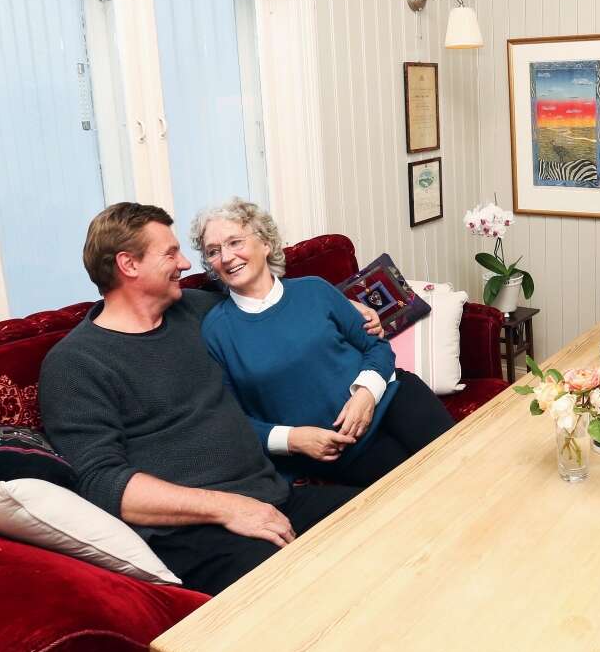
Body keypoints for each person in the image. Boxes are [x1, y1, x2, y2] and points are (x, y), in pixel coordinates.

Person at [39, 202, 376, 596]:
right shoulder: (75, 363)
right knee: (306, 588)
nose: (185, 264)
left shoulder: (195, 311)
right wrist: (227, 508)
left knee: (384, 519)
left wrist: (346, 308)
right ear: (128, 264)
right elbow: (102, 483)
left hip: (274, 496)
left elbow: (272, 306)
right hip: (196, 533)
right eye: (170, 253)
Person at [194, 198, 455, 488]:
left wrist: (366, 394)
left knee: (462, 461)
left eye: (235, 242)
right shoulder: (215, 332)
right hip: (344, 450)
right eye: (213, 251)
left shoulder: (314, 289)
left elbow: (377, 347)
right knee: (424, 492)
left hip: (394, 399)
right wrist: (292, 439)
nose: (226, 257)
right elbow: (232, 421)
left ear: (265, 243)